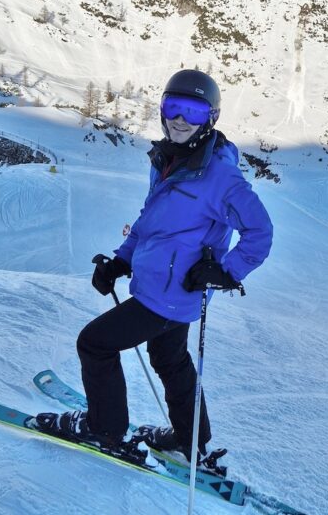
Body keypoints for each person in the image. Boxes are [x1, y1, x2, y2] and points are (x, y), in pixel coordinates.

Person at [34, 69, 273, 464]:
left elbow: (260, 231)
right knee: (169, 359)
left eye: (193, 112)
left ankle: (104, 429)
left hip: (172, 293)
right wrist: (121, 260)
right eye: (173, 107)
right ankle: (189, 440)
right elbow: (151, 220)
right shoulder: (169, 159)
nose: (180, 119)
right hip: (165, 287)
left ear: (210, 118)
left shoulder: (219, 176)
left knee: (94, 344)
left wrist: (228, 271)